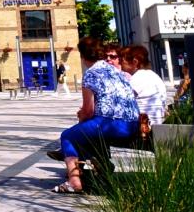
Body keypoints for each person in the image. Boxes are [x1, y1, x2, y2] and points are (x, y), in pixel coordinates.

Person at [51, 37, 139, 194]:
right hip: (132, 124)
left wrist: (81, 120)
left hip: (110, 124)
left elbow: (88, 111)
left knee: (68, 136)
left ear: (83, 56)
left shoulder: (91, 74)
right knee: (85, 133)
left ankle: (74, 181)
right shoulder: (116, 71)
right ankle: (102, 166)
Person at [121, 45, 166, 128]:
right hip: (159, 125)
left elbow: (120, 102)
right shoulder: (153, 75)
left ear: (135, 62)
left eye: (122, 60)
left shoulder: (138, 78)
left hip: (145, 127)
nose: (120, 63)